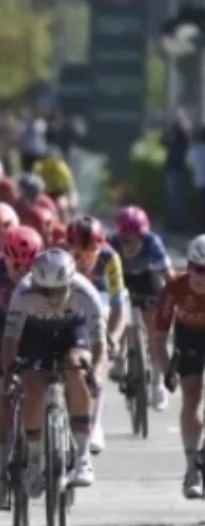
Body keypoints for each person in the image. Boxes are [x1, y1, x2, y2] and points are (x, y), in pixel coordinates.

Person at [0, 249, 106, 497]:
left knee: (77, 367)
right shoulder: (23, 292)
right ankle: (35, 458)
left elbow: (99, 344)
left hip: (73, 332)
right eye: (45, 291)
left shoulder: (86, 291)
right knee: (32, 385)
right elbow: (9, 340)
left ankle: (82, 457)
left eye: (59, 290)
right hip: (36, 335)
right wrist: (10, 372)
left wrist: (96, 373)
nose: (53, 297)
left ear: (70, 281)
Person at [0, 226, 44, 509]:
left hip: (38, 324)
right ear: (5, 259)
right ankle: (2, 475)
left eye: (27, 266)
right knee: (3, 397)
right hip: (6, 326)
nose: (20, 271)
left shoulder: (45, 269)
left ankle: (47, 440)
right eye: (15, 264)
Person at [65, 215, 126, 454]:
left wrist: (113, 337)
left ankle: (96, 424)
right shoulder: (59, 255)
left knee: (102, 313)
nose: (83, 261)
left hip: (99, 299)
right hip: (69, 296)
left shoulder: (110, 258)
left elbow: (120, 305)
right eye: (77, 254)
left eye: (90, 254)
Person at [152, 235, 205, 498]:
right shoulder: (174, 288)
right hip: (189, 338)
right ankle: (192, 468)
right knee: (192, 396)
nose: (203, 277)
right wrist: (166, 371)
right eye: (199, 270)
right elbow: (159, 337)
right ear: (189, 266)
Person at [108, 205, 172, 411]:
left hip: (146, 277)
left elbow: (168, 276)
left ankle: (157, 381)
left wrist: (173, 298)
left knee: (153, 324)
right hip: (120, 277)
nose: (132, 245)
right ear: (119, 236)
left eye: (138, 238)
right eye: (126, 240)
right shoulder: (110, 244)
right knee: (119, 311)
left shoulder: (153, 242)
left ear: (145, 236)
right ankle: (119, 357)